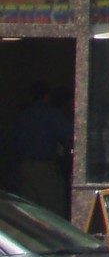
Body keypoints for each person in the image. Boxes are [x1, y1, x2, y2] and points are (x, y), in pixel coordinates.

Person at [10, 80, 73, 215]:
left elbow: (14, 141)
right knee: (52, 210)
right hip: (44, 168)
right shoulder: (51, 114)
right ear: (47, 96)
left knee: (27, 210)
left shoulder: (22, 115)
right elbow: (70, 135)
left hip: (23, 166)